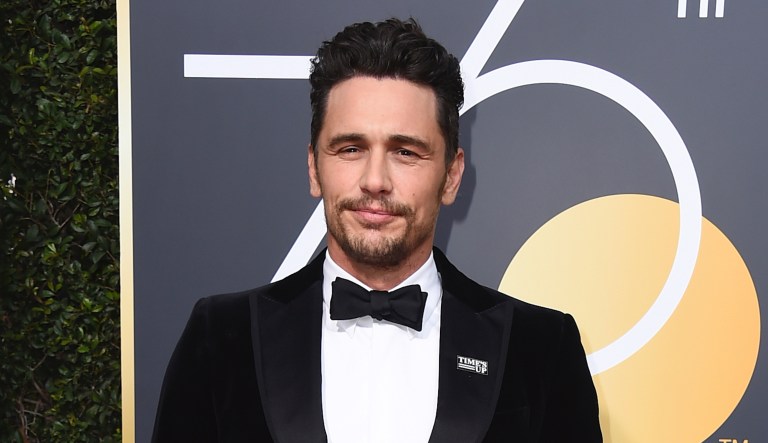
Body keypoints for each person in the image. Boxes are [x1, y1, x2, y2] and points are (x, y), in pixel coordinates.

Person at [152, 18, 601, 443]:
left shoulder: (540, 347)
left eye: (406, 152)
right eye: (350, 148)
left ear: (451, 176)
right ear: (314, 167)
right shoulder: (220, 337)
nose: (375, 180)